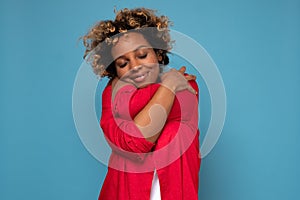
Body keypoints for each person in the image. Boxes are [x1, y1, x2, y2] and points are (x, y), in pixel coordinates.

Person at [82, 7, 201, 200]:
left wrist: (125, 106)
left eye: (142, 55)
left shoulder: (186, 88)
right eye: (123, 63)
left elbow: (139, 125)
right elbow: (135, 142)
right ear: (115, 73)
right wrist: (169, 85)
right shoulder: (112, 97)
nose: (135, 67)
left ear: (159, 54)